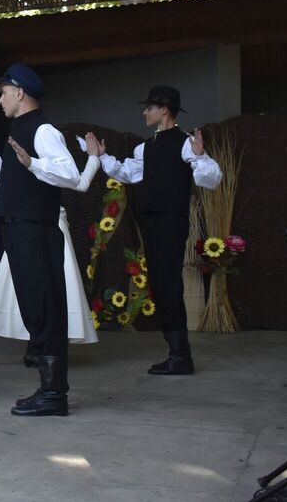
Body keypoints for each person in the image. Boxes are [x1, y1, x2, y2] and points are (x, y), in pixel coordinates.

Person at [0, 64, 82, 417]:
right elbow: (8, 175)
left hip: (35, 229)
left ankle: (54, 393)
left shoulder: (43, 130)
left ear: (19, 93)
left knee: (46, 306)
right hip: (19, 228)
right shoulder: (18, 129)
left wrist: (33, 162)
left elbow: (69, 173)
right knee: (35, 306)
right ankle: (49, 389)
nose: (0, 100)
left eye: (4, 93)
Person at [89, 85, 222, 375]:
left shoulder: (186, 143)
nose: (145, 112)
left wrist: (199, 157)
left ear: (165, 110)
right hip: (151, 223)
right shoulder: (145, 148)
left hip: (171, 222)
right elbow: (127, 172)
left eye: (150, 107)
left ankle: (181, 355)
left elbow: (210, 179)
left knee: (168, 284)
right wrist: (101, 157)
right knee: (161, 285)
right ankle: (177, 353)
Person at [0, 135, 102, 362]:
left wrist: (94, 158)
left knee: (48, 287)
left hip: (47, 226)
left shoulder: (50, 167)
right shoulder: (28, 166)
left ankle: (42, 348)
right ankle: (39, 347)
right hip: (31, 228)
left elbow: (79, 182)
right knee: (33, 287)